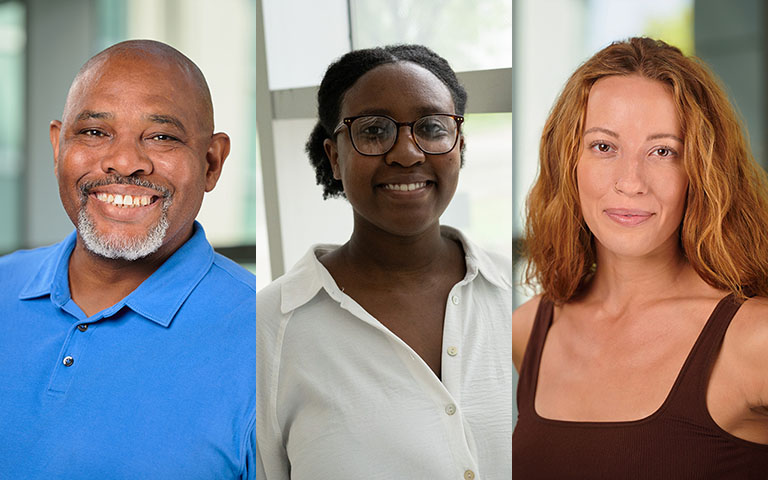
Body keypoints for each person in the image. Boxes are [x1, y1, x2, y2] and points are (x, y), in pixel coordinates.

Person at [512, 37, 768, 478]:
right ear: (567, 161)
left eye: (663, 151)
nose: (631, 183)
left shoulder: (754, 338)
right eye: (604, 147)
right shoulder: (527, 328)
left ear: (702, 170)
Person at [0, 40, 256, 478]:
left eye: (161, 137)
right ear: (58, 145)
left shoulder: (271, 341)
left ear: (212, 163)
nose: (124, 162)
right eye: (95, 132)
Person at [256, 45, 512, 479]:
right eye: (375, 131)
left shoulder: (524, 293)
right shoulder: (267, 330)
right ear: (335, 157)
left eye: (432, 127)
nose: (407, 153)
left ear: (459, 147)